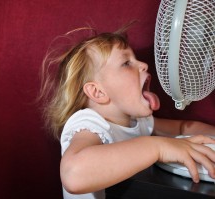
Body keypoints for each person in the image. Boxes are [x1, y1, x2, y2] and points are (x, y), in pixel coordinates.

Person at [38, 25, 215, 199]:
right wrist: (158, 147)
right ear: (98, 92)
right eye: (126, 63)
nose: (144, 65)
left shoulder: (138, 121)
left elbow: (184, 128)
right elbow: (73, 174)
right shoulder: (88, 123)